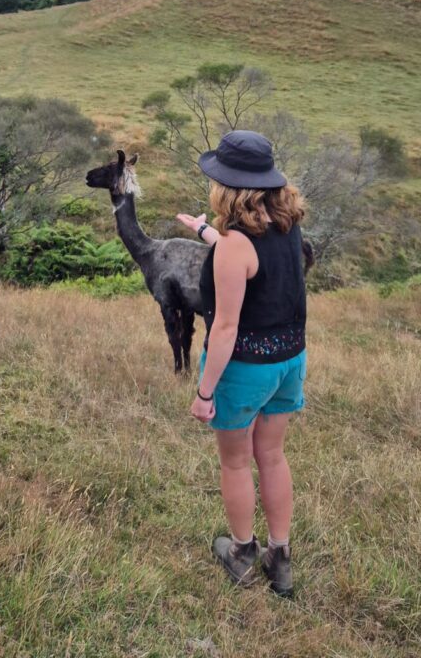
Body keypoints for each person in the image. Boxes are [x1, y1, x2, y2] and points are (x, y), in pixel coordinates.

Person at [176, 129, 307, 597]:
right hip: (289, 362)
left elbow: (226, 330)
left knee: (235, 463)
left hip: (244, 370)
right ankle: (281, 557)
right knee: (271, 455)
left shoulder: (235, 246)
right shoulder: (288, 224)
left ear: (227, 187)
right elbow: (256, 261)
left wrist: (204, 392)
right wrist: (203, 231)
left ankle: (241, 552)